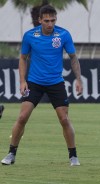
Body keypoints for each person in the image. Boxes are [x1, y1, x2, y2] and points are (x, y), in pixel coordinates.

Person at [1, 5, 83, 166]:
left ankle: (73, 156)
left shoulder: (64, 35)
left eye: (53, 20)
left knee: (64, 119)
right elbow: (23, 58)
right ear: (39, 20)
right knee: (22, 117)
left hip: (56, 83)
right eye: (46, 21)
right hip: (34, 82)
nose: (50, 24)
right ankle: (11, 154)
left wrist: (79, 79)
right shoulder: (30, 36)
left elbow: (73, 58)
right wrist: (23, 81)